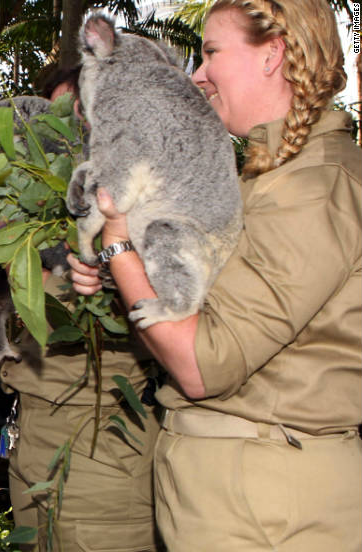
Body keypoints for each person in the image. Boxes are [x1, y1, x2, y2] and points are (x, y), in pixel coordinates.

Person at [69, 1, 361, 549]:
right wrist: (121, 276)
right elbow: (203, 304)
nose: (198, 75)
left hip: (266, 499)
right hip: (231, 488)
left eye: (211, 53)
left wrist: (119, 247)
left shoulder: (313, 189)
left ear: (273, 54)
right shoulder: (264, 174)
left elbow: (203, 364)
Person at [1, 67, 160, 552]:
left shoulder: (154, 201)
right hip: (32, 441)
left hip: (102, 447)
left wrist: (112, 268)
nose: (72, 131)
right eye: (57, 121)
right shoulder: (34, 210)